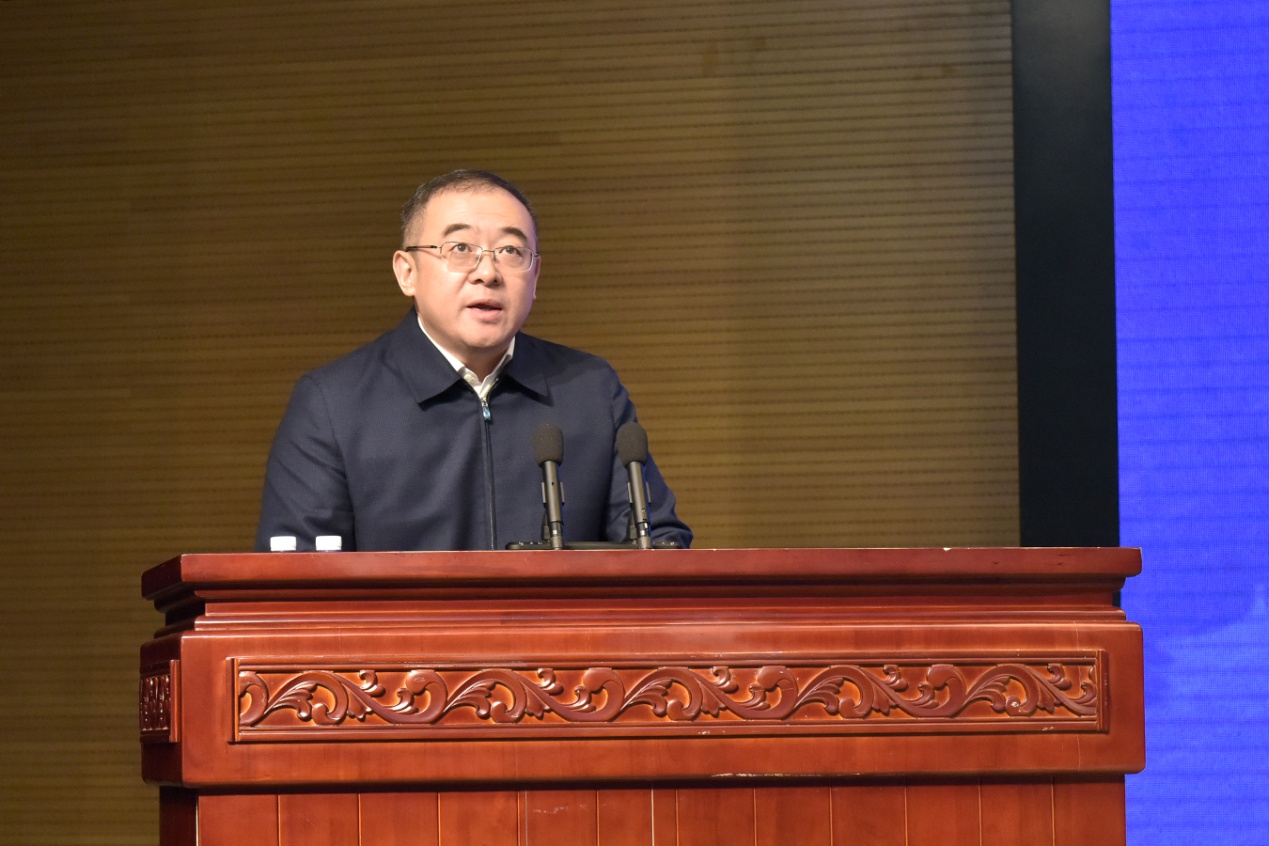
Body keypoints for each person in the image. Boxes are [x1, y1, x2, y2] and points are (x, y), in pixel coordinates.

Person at [254, 169, 692, 552]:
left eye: (511, 251)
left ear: (535, 276)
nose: (488, 272)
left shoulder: (590, 391)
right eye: (460, 248)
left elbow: (658, 547)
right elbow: (298, 585)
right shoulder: (333, 404)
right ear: (407, 272)